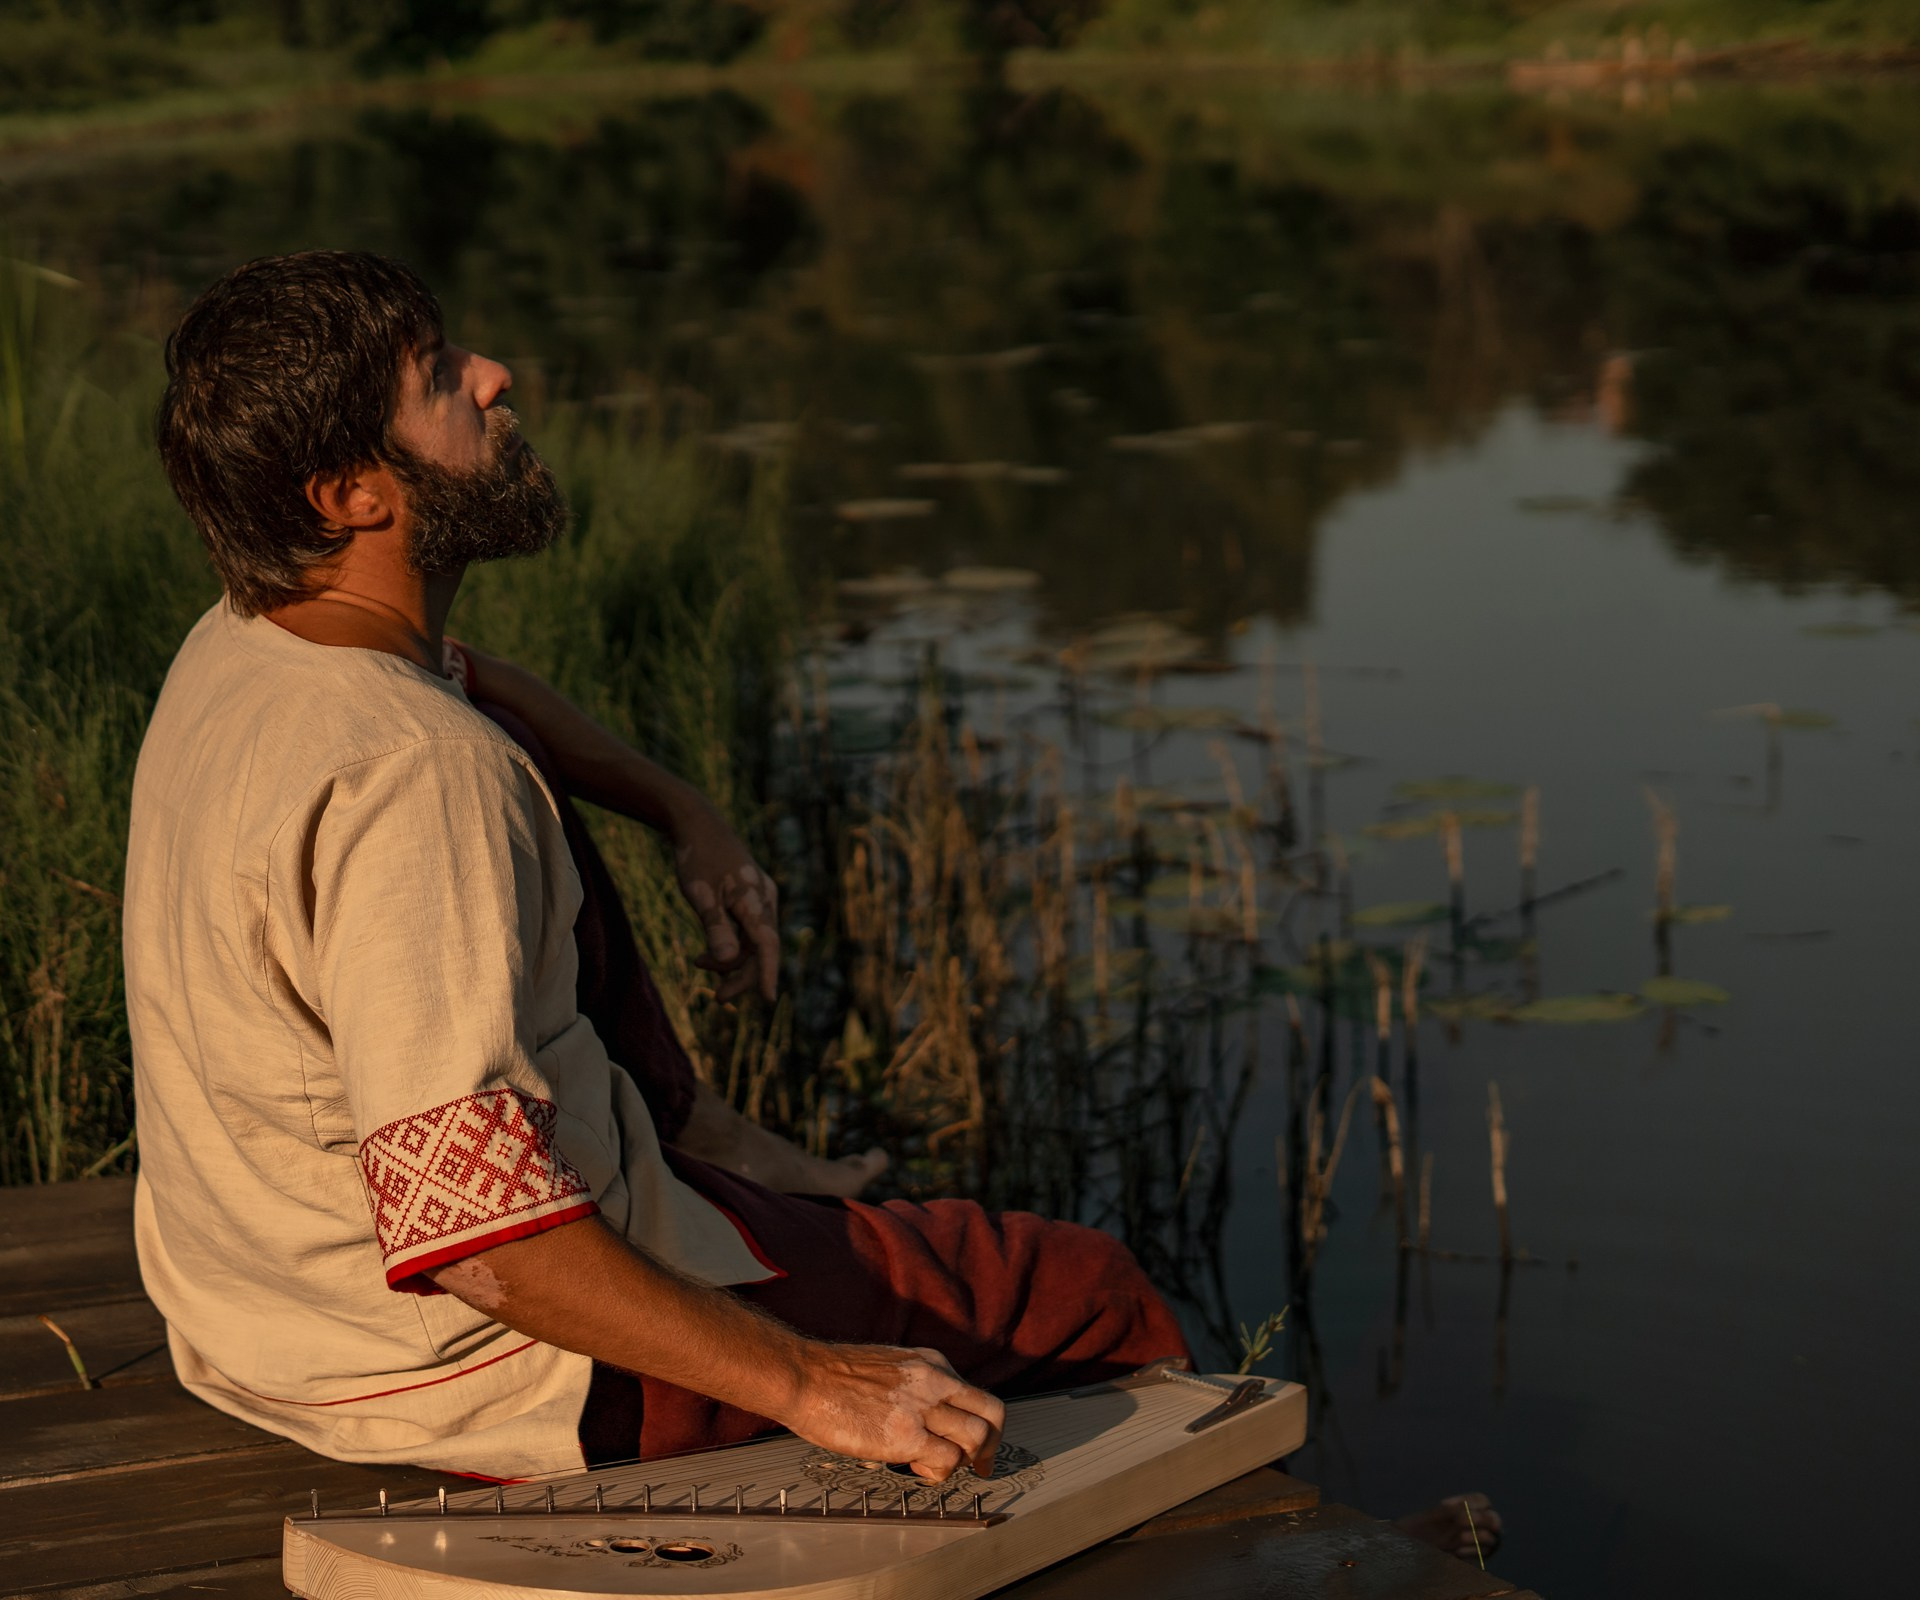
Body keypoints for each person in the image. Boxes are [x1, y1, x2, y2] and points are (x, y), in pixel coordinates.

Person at [123, 248, 1498, 1561]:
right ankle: (1285, 1572)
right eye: (438, 376)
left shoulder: (261, 639)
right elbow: (478, 1244)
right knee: (1075, 1292)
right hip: (475, 1376)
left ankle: (717, 1158)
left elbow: (476, 685)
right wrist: (815, 1386)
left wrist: (683, 808)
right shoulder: (417, 779)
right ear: (353, 496)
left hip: (263, 1320)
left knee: (543, 824)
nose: (494, 374)